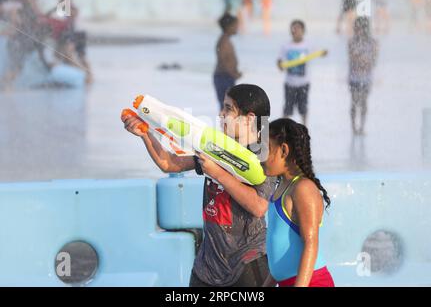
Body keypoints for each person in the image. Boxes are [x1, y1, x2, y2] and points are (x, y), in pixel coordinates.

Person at [121, 84, 277, 287]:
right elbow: (169, 163)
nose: (221, 115)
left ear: (248, 118)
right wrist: (145, 134)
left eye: (228, 109)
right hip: (207, 267)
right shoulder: (215, 147)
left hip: (248, 264)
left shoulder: (265, 156)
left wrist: (218, 173)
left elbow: (258, 206)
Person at [262, 118, 334, 287]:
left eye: (266, 149)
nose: (260, 157)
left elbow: (311, 243)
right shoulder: (280, 189)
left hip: (312, 282)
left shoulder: (303, 188)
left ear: (284, 150)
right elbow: (277, 257)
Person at [277, 20, 326, 126]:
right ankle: (283, 128)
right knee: (287, 108)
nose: (296, 30)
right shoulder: (286, 46)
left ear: (303, 31)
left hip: (304, 83)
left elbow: (319, 53)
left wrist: (323, 53)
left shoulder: (308, 45)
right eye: (293, 28)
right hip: (290, 83)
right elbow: (279, 61)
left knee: (303, 108)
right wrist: (280, 66)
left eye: (298, 28)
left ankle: (304, 127)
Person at [348, 17, 378, 135]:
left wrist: (361, 59)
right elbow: (352, 58)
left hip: (366, 78)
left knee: (364, 102)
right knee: (354, 102)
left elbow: (373, 61)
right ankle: (354, 127)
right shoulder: (352, 42)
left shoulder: (373, 42)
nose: (358, 29)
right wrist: (363, 60)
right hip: (354, 78)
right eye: (356, 27)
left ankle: (362, 126)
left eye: (360, 27)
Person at [214, 13, 242, 110]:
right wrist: (233, 73)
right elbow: (223, 62)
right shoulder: (224, 41)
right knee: (227, 108)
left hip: (226, 76)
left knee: (229, 107)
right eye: (235, 26)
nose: (237, 28)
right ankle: (225, 125)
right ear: (228, 27)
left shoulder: (226, 40)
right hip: (223, 77)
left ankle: (227, 125)